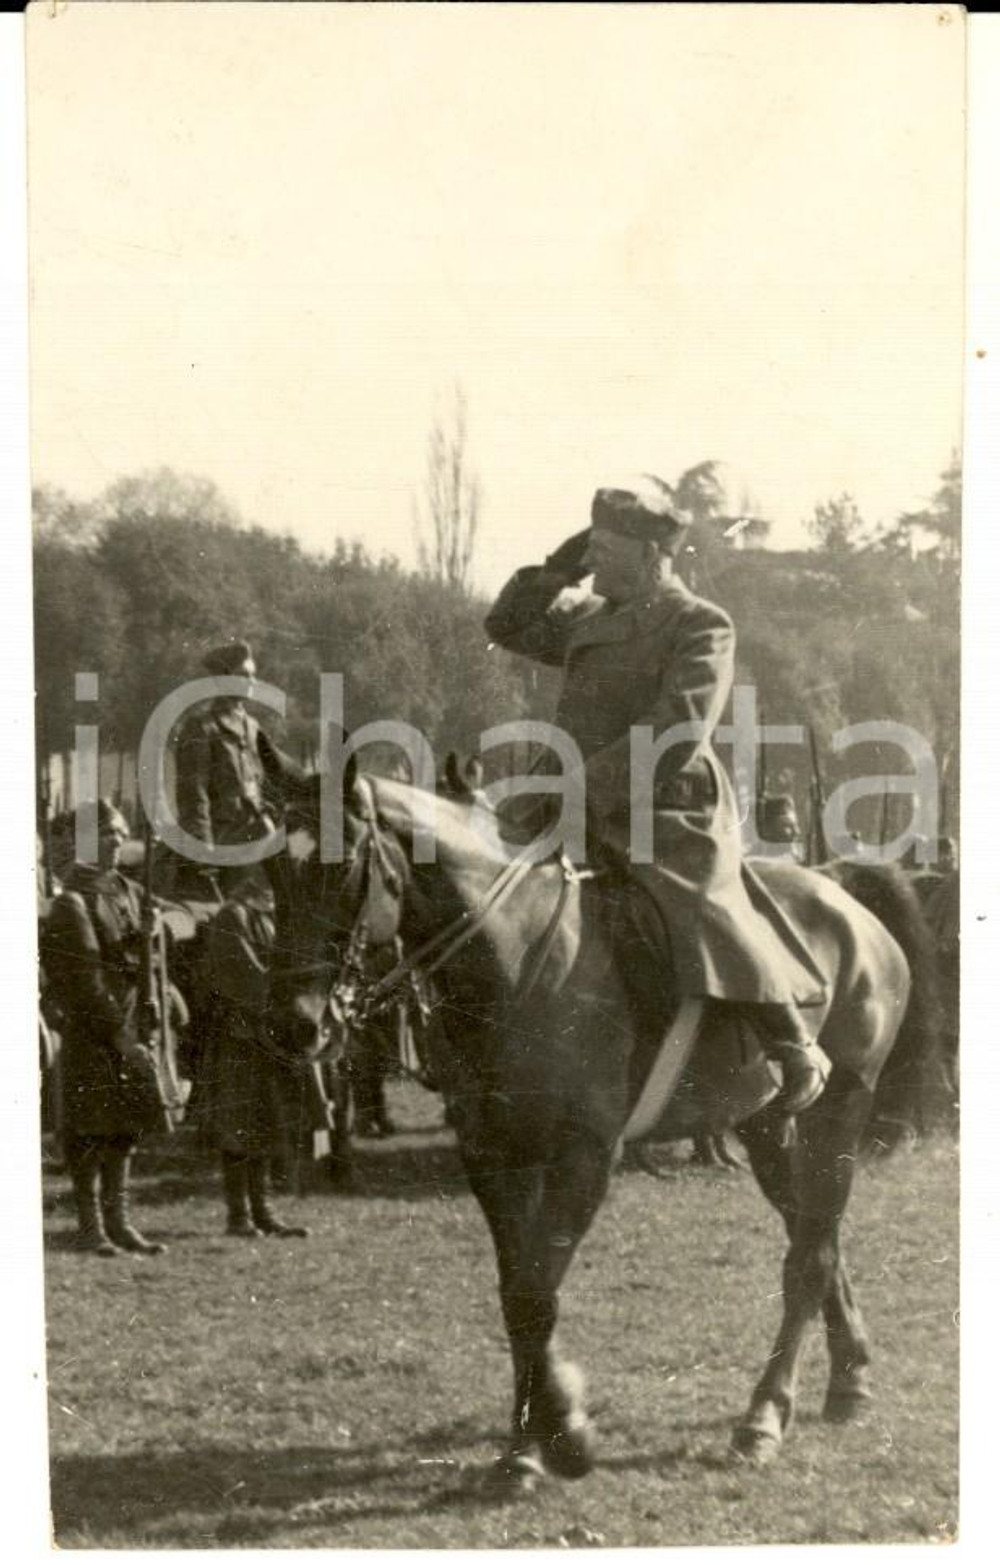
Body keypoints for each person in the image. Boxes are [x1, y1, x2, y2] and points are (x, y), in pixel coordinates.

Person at [484, 474, 831, 1114]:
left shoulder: (700, 623)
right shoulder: (592, 618)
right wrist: (559, 567)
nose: (591, 564)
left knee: (696, 901)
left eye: (603, 552)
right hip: (566, 797)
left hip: (663, 802)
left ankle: (791, 1042)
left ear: (651, 556)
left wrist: (583, 786)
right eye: (587, 551)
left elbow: (679, 727)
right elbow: (506, 625)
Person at [41, 800, 169, 1255]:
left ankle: (121, 1222)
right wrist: (122, 1037)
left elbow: (138, 960)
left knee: (125, 1129)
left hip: (132, 1025)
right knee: (90, 1133)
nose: (117, 839)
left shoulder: (131, 895)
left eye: (120, 831)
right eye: (106, 832)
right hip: (94, 1033)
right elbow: (87, 982)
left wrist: (151, 933)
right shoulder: (71, 902)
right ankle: (90, 1224)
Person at [195, 880, 310, 1239]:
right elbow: (242, 976)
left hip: (266, 1036)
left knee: (264, 1124)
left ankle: (263, 1211)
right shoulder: (234, 915)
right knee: (239, 1126)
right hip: (239, 1035)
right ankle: (238, 1215)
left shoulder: (264, 913)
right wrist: (285, 1002)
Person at [174, 639, 279, 900]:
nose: (253, 682)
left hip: (258, 832)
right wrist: (203, 849)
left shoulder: (253, 727)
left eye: (254, 675)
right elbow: (193, 793)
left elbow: (266, 781)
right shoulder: (201, 727)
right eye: (245, 675)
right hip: (225, 843)